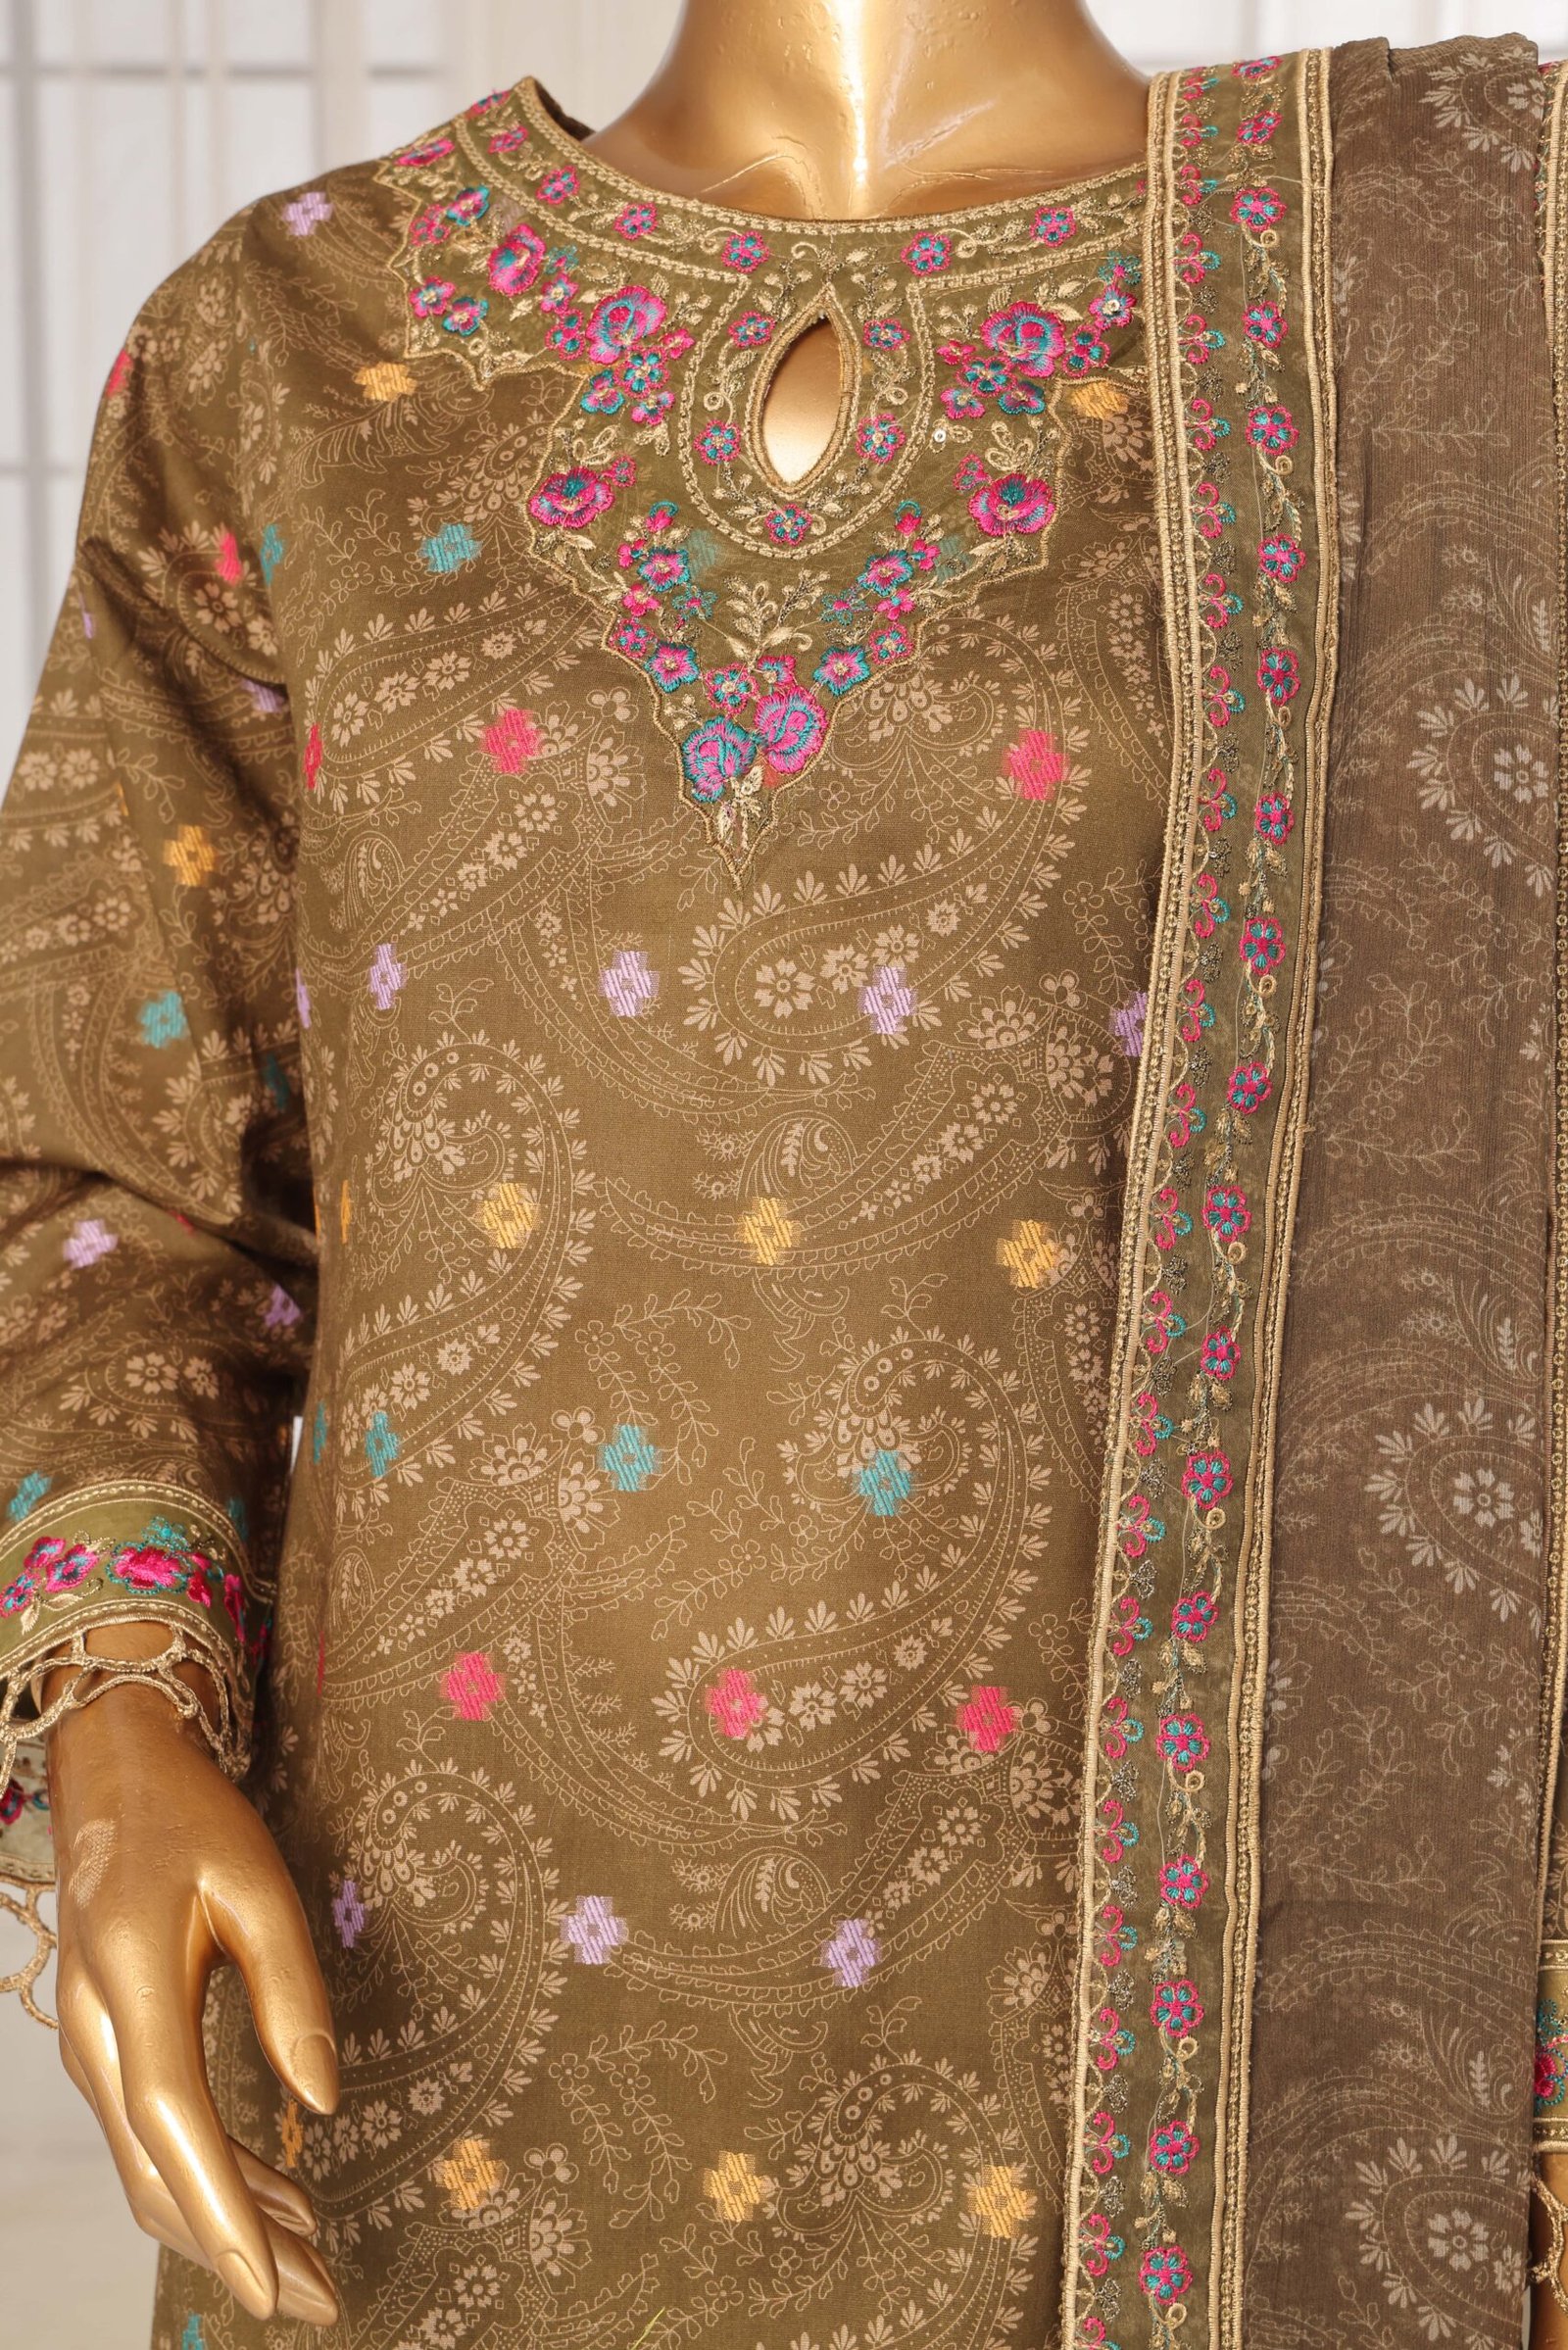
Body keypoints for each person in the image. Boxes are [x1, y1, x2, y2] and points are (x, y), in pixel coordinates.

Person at [2, 4, 1567, 2344]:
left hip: (1162, 2094)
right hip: (419, 2038)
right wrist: (120, 1717)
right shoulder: (287, 338)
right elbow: (114, 1183)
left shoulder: (1455, 283)